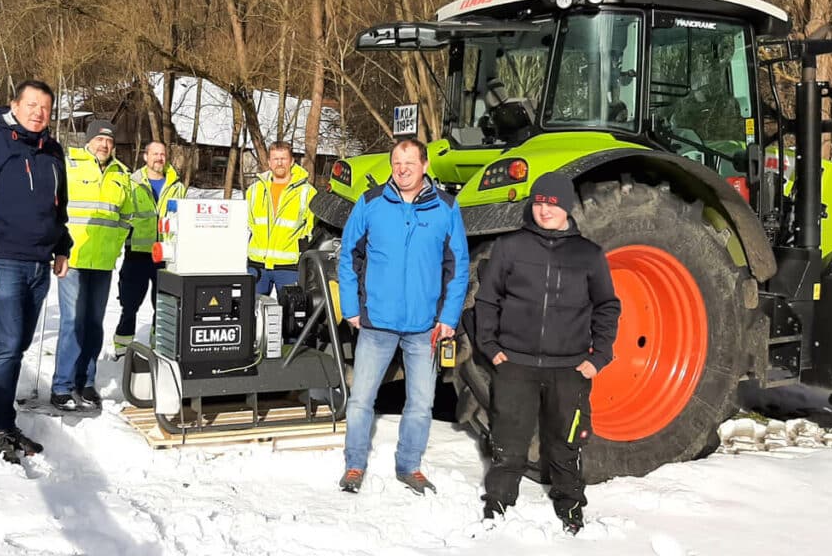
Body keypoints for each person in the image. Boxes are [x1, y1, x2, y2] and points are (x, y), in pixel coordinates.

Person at [472, 172, 621, 534]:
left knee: (566, 442)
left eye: (551, 204)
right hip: (515, 364)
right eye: (539, 203)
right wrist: (490, 348)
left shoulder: (588, 254)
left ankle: (570, 504)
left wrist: (598, 356)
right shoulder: (511, 247)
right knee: (508, 440)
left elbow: (607, 306)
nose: (544, 210)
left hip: (568, 367)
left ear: (566, 207)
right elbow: (487, 300)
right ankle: (498, 501)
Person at [336, 138, 469, 495]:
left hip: (423, 327)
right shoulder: (371, 203)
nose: (403, 168)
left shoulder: (445, 207)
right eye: (397, 162)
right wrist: (350, 307)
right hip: (376, 324)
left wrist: (448, 317)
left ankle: (409, 465)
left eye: (410, 162)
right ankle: (354, 464)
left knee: (421, 402)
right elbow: (348, 256)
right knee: (362, 398)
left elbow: (457, 267)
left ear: (425, 165)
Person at [0, 80, 71, 464]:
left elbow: (58, 208)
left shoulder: (52, 151)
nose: (39, 113)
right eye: (32, 104)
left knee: (17, 346)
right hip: (2, 261)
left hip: (39, 264)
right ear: (14, 106)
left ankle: (4, 422)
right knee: (4, 347)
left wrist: (62, 245)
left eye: (46, 108)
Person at [51, 119, 132, 412]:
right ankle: (61, 386)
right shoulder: (69, 165)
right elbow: (54, 208)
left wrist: (116, 242)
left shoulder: (121, 175)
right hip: (72, 258)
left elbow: (126, 215)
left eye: (109, 141)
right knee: (72, 323)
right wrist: (56, 247)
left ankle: (86, 383)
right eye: (100, 139)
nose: (105, 145)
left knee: (94, 325)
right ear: (89, 141)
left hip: (103, 262)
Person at [112, 140, 186, 357]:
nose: (159, 158)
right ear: (145, 156)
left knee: (162, 305)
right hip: (136, 254)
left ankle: (159, 347)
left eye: (162, 154)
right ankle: (122, 349)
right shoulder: (132, 183)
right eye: (154, 154)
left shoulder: (177, 186)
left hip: (166, 255)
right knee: (130, 305)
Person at [245, 141, 316, 295]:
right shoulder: (254, 191)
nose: (279, 163)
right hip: (257, 265)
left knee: (290, 315)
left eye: (283, 158)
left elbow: (312, 229)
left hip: (289, 267)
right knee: (252, 312)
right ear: (269, 162)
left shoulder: (307, 192)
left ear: (291, 161)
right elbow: (249, 224)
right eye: (275, 159)